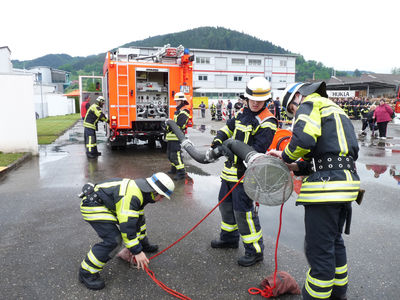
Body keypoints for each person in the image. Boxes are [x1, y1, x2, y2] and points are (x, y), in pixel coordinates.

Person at [269, 81, 360, 300]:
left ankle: (315, 296)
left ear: (297, 96)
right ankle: (339, 294)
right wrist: (296, 166)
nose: (293, 113)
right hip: (346, 185)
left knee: (318, 250)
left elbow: (304, 139)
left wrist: (285, 156)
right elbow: (329, 156)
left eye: (291, 108)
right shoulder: (334, 109)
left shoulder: (309, 104)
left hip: (326, 189)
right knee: (334, 242)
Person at [210, 77, 278, 267]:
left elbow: (257, 149)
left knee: (244, 214)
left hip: (246, 176)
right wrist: (218, 141)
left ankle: (255, 251)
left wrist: (230, 148)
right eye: (252, 99)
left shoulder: (268, 121)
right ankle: (229, 239)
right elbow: (228, 128)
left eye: (260, 100)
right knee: (225, 208)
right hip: (228, 173)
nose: (255, 103)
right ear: (246, 98)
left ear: (267, 100)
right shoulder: (242, 112)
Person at [78, 172, 175, 290]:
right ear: (154, 191)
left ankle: (143, 244)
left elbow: (137, 222)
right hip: (93, 205)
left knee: (140, 220)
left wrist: (141, 246)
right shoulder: (133, 196)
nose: (161, 200)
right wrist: (136, 251)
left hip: (105, 204)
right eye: (162, 196)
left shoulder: (141, 192)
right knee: (114, 240)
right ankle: (86, 272)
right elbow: (127, 227)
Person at [165, 92, 191, 180]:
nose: (176, 102)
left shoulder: (185, 111)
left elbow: (180, 125)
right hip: (171, 137)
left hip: (176, 137)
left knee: (176, 154)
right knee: (169, 154)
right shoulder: (178, 111)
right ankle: (174, 169)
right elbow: (174, 124)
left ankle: (181, 172)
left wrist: (170, 126)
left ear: (182, 101)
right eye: (175, 100)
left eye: (178, 101)